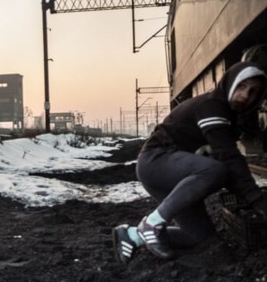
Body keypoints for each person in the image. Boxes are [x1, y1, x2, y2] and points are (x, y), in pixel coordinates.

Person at [113, 61, 267, 263]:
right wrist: (257, 200)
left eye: (253, 92)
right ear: (229, 84)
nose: (246, 96)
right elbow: (229, 159)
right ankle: (151, 224)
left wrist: (249, 196)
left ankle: (132, 235)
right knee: (215, 169)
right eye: (241, 86)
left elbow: (230, 168)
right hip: (155, 162)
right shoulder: (212, 107)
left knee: (199, 237)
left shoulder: (229, 116)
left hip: (175, 172)